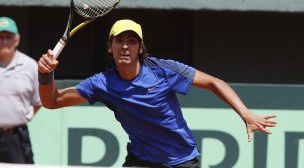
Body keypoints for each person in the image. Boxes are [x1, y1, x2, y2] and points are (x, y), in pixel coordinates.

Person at [38, 19, 277, 168]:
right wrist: (45, 75)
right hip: (141, 161)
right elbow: (52, 101)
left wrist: (245, 114)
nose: (125, 46)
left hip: (182, 160)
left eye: (132, 41)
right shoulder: (102, 83)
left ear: (140, 48)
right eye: (119, 40)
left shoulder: (164, 70)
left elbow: (215, 82)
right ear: (109, 48)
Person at [0, 16, 41, 164]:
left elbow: (38, 102)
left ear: (16, 40)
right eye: (1, 37)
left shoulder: (30, 66)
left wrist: (24, 117)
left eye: (8, 37)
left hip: (16, 138)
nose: (4, 41)